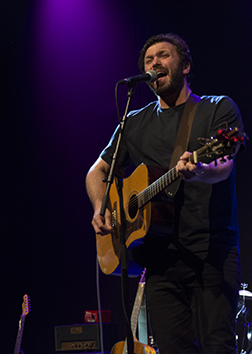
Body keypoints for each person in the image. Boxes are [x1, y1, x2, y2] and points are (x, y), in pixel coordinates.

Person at [86, 33, 245, 354]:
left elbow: (225, 163)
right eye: (148, 60)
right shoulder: (133, 121)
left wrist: (200, 170)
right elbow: (96, 172)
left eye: (163, 56)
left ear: (185, 65)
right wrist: (101, 207)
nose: (155, 63)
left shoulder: (217, 108)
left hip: (210, 251)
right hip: (160, 260)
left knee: (219, 346)